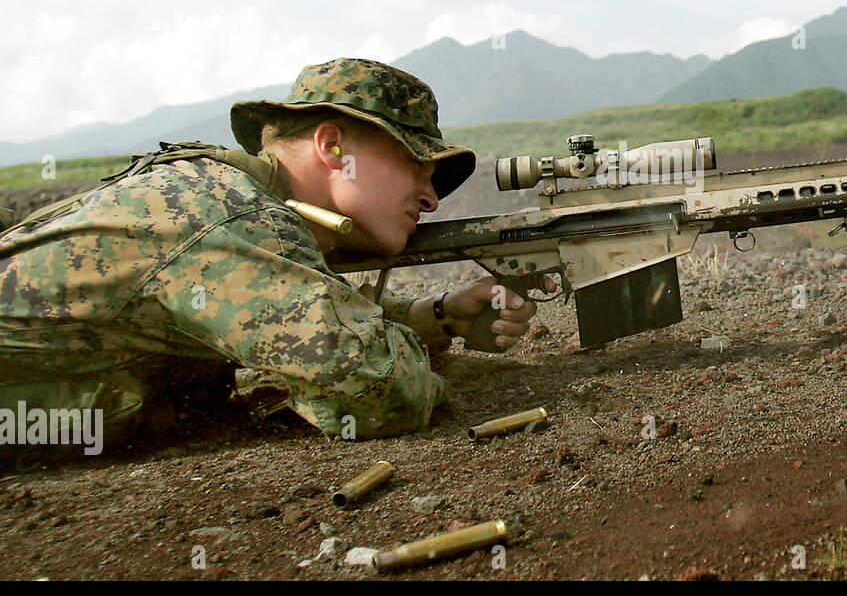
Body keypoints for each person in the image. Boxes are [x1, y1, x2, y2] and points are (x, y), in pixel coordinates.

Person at [0, 58, 546, 451]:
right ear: (333, 148)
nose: (429, 197)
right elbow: (378, 385)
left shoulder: (227, 198)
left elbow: (298, 314)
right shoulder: (231, 217)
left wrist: (440, 315)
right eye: (416, 167)